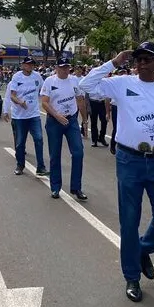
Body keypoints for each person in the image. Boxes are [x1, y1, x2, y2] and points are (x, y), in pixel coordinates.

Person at [80, 42, 154, 303]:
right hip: (130, 160)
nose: (142, 63)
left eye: (148, 59)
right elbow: (86, 86)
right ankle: (132, 276)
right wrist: (113, 62)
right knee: (130, 221)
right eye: (138, 59)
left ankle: (143, 250)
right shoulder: (122, 84)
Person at [40, 57, 88, 200]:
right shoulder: (50, 81)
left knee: (78, 152)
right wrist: (57, 115)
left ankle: (76, 187)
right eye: (62, 67)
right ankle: (55, 187)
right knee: (55, 155)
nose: (65, 70)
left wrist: (85, 121)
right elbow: (44, 102)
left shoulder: (75, 81)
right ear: (56, 68)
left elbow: (80, 100)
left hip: (71, 120)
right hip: (55, 121)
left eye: (67, 67)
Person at [3, 57, 48, 176]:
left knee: (39, 139)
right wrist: (19, 102)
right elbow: (12, 95)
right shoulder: (17, 77)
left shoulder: (37, 76)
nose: (29, 66)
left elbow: (43, 91)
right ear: (22, 65)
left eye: (31, 64)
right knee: (20, 142)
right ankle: (20, 165)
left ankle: (41, 167)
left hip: (34, 114)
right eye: (27, 64)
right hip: (19, 116)